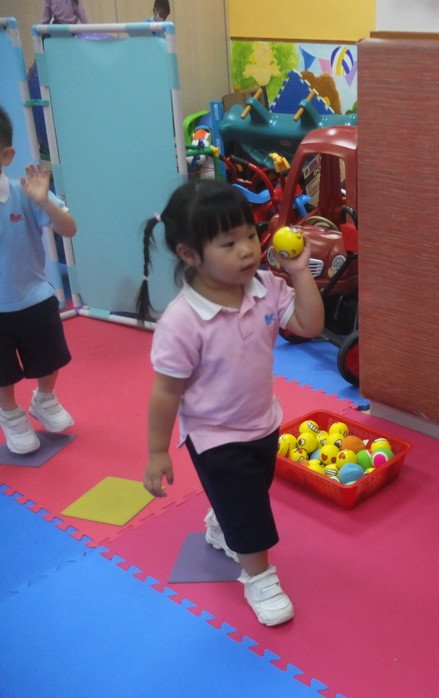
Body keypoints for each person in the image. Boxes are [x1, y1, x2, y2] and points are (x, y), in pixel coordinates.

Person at [138, 180, 323, 626]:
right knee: (251, 510)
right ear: (189, 255)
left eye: (250, 235)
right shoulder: (183, 321)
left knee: (250, 494)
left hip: (263, 421)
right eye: (228, 243)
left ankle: (223, 525)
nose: (247, 250)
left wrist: (300, 273)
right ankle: (259, 577)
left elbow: (309, 326)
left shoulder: (266, 287)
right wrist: (157, 451)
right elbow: (166, 391)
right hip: (214, 435)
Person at [0, 107, 77, 455]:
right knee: (3, 371)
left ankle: (44, 399)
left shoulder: (24, 192)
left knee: (50, 357)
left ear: (7, 156)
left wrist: (45, 202)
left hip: (34, 296)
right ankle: (10, 413)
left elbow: (69, 229)